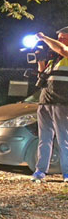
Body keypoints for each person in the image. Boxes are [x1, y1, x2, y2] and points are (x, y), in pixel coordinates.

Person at [31, 27, 68, 182]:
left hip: (62, 103)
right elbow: (41, 79)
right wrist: (40, 61)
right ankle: (40, 171)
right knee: (44, 139)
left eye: (63, 37)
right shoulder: (54, 60)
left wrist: (44, 37)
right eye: (58, 37)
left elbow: (62, 48)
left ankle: (66, 173)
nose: (59, 40)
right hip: (45, 102)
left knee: (63, 139)